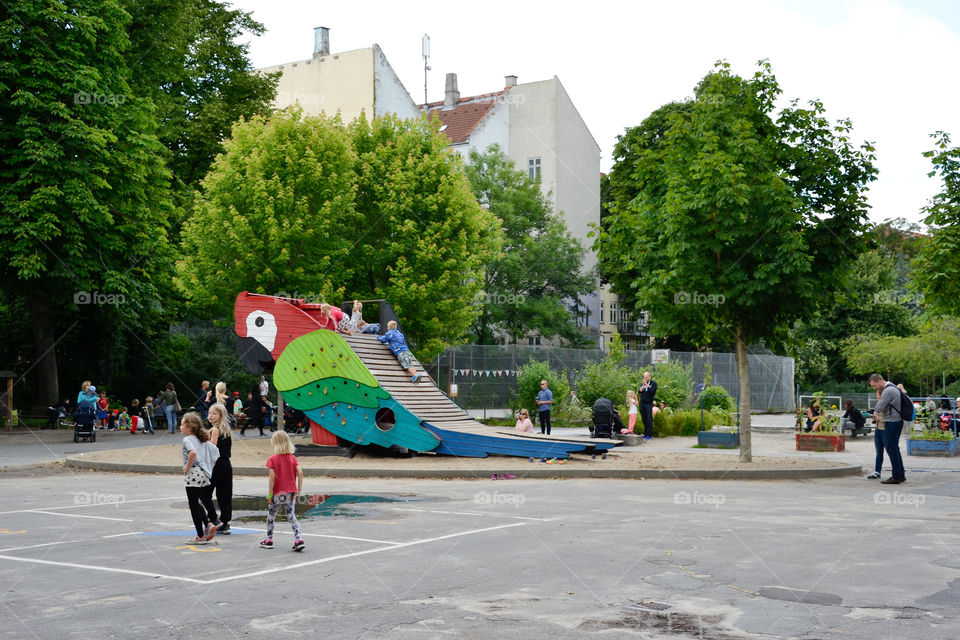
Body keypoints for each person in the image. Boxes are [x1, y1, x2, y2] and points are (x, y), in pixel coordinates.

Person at [260, 431, 305, 551]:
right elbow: (300, 473)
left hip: (277, 493)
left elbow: (272, 478)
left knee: (271, 515)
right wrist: (298, 489)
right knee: (291, 516)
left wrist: (270, 494)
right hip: (290, 492)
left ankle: (269, 539)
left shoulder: (273, 459)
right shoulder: (293, 458)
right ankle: (298, 538)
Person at [179, 412, 219, 545]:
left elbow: (193, 453)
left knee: (193, 504)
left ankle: (200, 536)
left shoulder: (188, 439)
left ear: (189, 427)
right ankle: (208, 524)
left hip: (194, 473)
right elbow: (215, 452)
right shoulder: (201, 439)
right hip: (203, 475)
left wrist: (186, 467)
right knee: (196, 502)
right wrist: (209, 467)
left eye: (182, 424)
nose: (180, 427)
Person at [869, 373, 906, 484]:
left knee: (891, 449)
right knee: (895, 449)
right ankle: (900, 474)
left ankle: (896, 477)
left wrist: (880, 407)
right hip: (896, 421)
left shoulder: (888, 390)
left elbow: (878, 408)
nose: (874, 388)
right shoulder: (893, 387)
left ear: (879, 381)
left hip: (891, 422)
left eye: (874, 386)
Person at [204, 402, 234, 535]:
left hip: (217, 464)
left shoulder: (215, 430)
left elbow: (212, 449)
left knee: (205, 493)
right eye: (209, 413)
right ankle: (225, 523)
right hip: (227, 464)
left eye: (214, 414)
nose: (210, 415)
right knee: (225, 494)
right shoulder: (226, 429)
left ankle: (214, 519)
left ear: (221, 415)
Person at [867, 388, 886, 479]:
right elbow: (876, 419)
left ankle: (897, 471)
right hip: (878, 429)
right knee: (879, 452)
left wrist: (877, 418)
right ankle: (877, 471)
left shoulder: (886, 404)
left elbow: (888, 419)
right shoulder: (878, 404)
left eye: (877, 393)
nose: (875, 394)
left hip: (885, 430)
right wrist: (874, 419)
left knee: (891, 452)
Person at [639, 371, 657, 441]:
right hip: (642, 403)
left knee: (649, 419)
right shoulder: (643, 384)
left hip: (649, 404)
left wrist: (647, 385)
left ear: (649, 377)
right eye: (644, 377)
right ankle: (645, 433)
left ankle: (649, 435)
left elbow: (652, 391)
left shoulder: (653, 384)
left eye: (646, 377)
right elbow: (639, 391)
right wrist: (643, 386)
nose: (645, 378)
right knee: (644, 419)